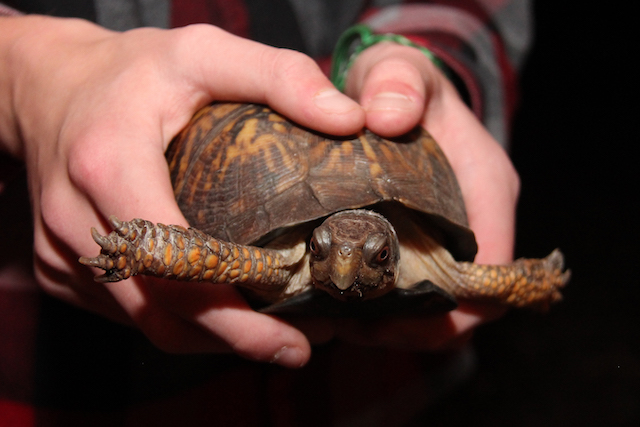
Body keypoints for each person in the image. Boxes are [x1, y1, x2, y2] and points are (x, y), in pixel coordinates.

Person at [0, 0, 528, 423]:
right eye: (323, 248)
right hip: (92, 393)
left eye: (372, 256)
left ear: (394, 250)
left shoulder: (422, 256)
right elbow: (209, 257)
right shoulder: (277, 260)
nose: (344, 263)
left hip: (394, 394)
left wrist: (416, 55)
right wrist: (21, 70)